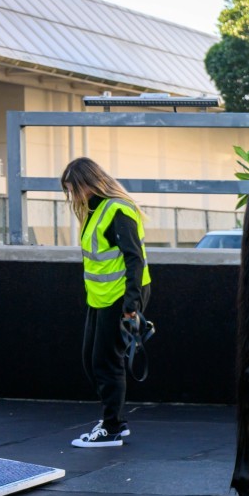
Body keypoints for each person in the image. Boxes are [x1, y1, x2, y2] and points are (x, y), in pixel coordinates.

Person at [62, 157, 151, 448]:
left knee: (106, 362)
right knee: (91, 359)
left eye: (72, 188)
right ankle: (115, 421)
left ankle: (111, 428)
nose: (70, 195)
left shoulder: (116, 210)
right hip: (101, 298)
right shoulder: (94, 210)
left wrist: (131, 305)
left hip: (121, 296)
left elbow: (134, 259)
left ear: (87, 183)